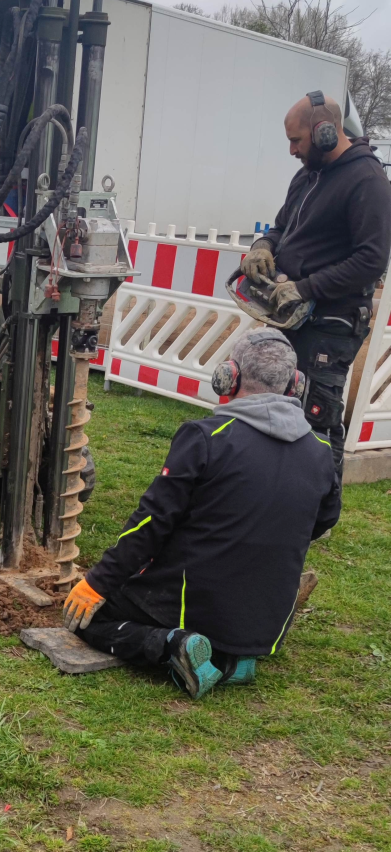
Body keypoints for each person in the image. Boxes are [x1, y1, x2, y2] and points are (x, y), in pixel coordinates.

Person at [62, 330, 341, 699]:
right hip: (267, 626)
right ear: (296, 385)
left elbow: (150, 524)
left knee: (89, 619)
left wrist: (97, 582)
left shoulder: (206, 437)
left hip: (190, 606)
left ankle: (174, 644)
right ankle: (233, 661)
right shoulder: (322, 452)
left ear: (229, 376)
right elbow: (323, 522)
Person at [242, 91, 391, 478]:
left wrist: (306, 288)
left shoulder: (367, 180)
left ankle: (321, 511)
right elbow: (282, 226)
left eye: (297, 140)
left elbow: (371, 260)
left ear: (325, 133)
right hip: (294, 317)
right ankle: (280, 496)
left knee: (318, 416)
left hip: (332, 323)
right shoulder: (308, 172)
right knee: (280, 405)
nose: (292, 149)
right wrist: (263, 246)